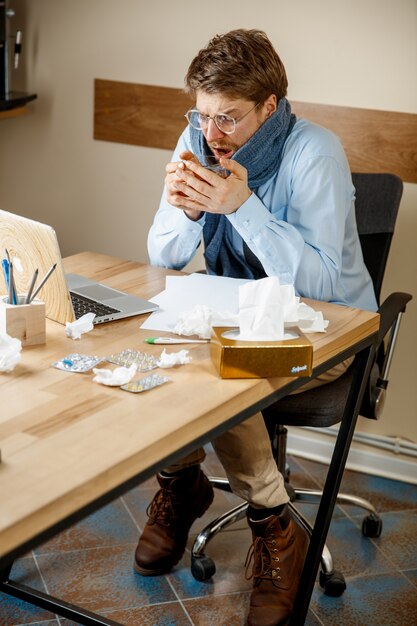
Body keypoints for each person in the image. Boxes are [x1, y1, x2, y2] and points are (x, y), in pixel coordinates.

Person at [135, 29, 377, 626]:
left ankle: (272, 529)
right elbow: (163, 255)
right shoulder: (199, 139)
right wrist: (191, 210)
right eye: (203, 114)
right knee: (161, 355)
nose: (211, 134)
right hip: (235, 317)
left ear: (269, 108)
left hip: (330, 332)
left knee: (221, 378)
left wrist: (243, 208)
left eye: (229, 119)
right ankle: (183, 484)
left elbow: (321, 284)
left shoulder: (314, 152)